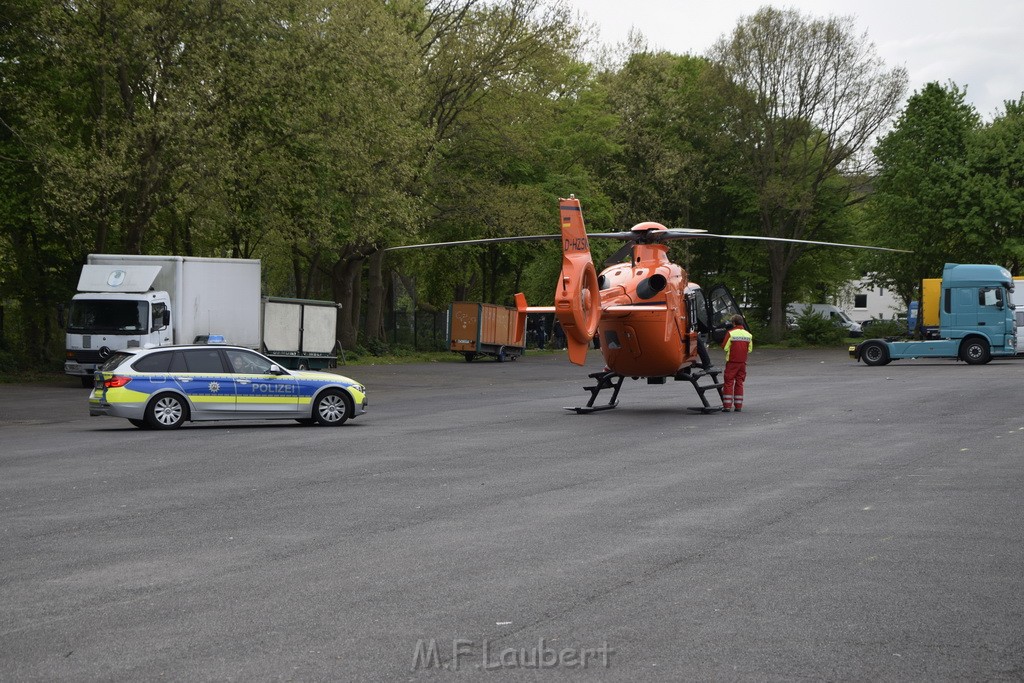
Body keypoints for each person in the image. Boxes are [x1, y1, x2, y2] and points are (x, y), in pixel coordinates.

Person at [720, 314, 753, 412]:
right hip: (742, 363)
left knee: (729, 382)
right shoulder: (748, 335)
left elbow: (725, 347)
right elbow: (750, 349)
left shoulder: (731, 333)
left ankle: (727, 406)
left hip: (732, 362)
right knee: (739, 383)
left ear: (733, 323)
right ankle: (738, 406)